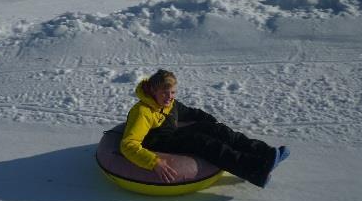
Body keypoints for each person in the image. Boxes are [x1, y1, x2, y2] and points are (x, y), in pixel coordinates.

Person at [120, 69, 290, 188]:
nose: (169, 97)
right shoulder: (142, 112)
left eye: (172, 92)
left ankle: (266, 153)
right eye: (164, 93)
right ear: (153, 91)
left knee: (219, 131)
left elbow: (190, 112)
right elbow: (129, 145)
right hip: (158, 143)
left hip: (172, 135)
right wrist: (154, 162)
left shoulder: (170, 104)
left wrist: (212, 123)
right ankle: (256, 170)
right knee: (203, 143)